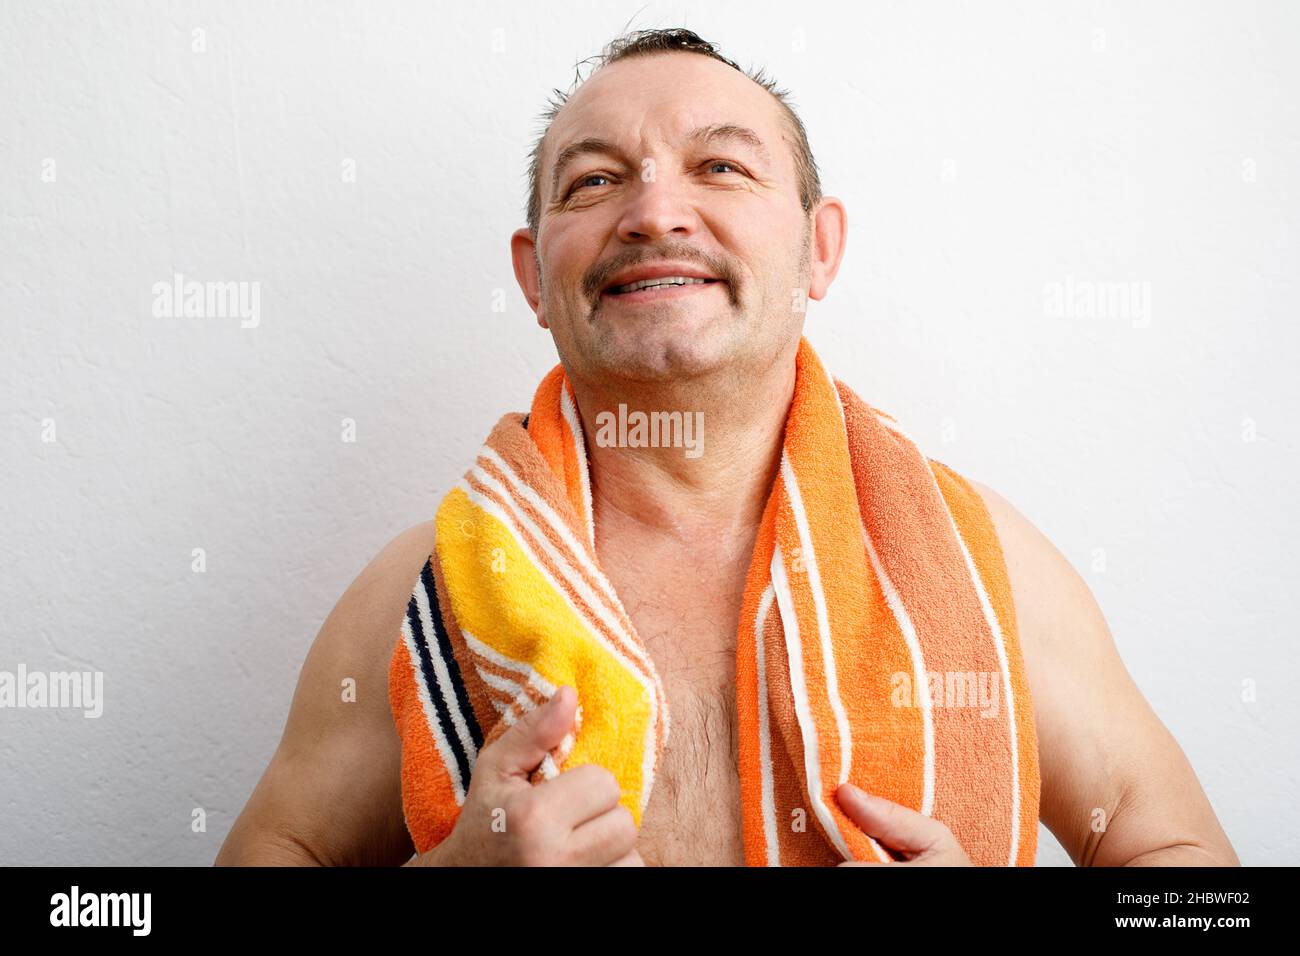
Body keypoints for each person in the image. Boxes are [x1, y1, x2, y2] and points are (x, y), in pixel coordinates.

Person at [216, 28, 1238, 867]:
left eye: (719, 166)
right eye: (593, 182)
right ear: (534, 278)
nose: (655, 212)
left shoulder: (986, 567)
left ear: (817, 247)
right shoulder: (424, 596)